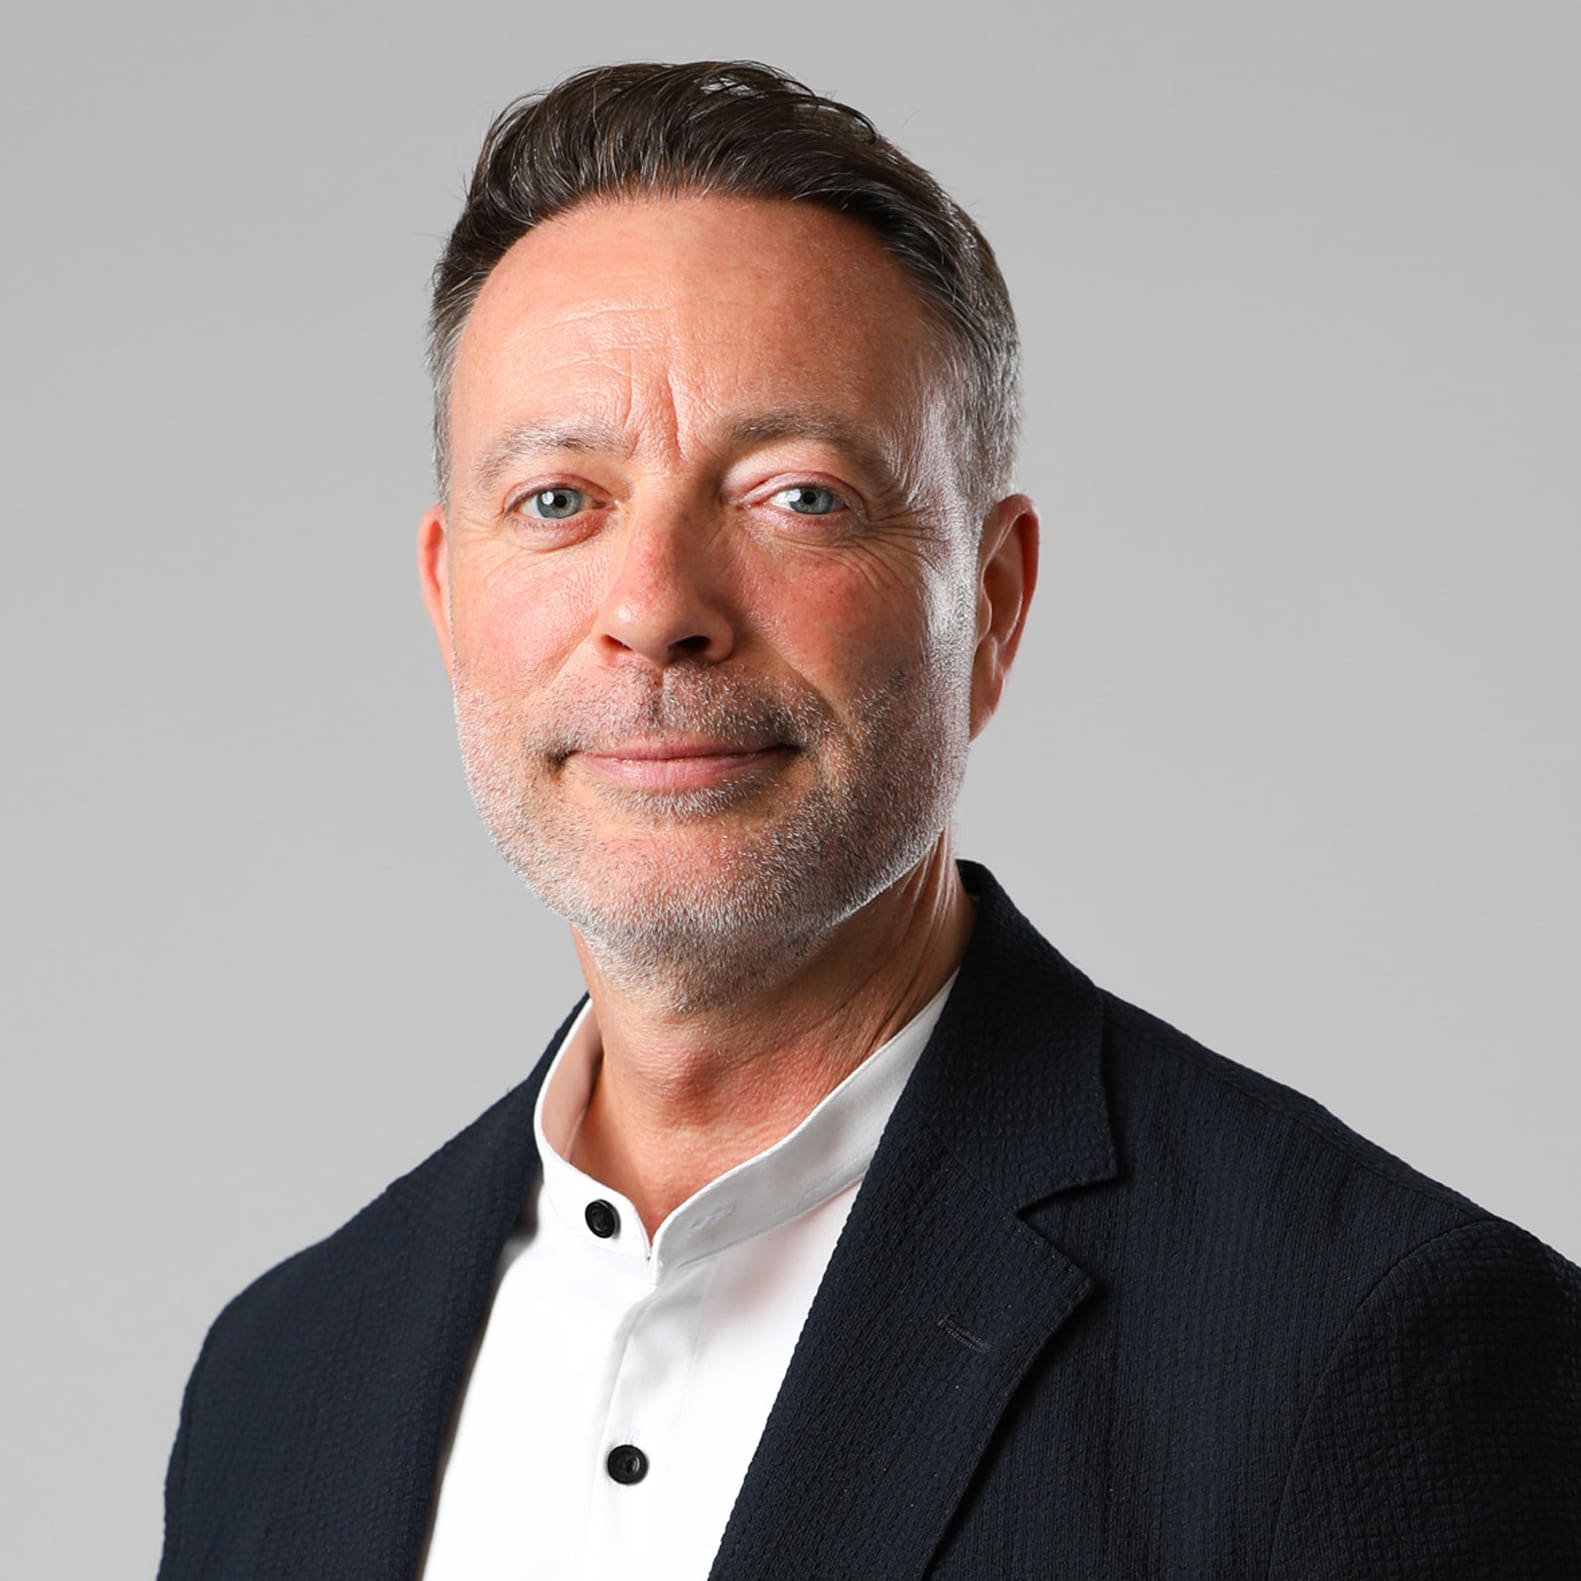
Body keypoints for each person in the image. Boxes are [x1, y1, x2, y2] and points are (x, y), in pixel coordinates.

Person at [157, 60, 1581, 1580]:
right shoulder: (279, 1378)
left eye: (798, 495)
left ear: (995, 605)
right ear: (448, 595)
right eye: (560, 500)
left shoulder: (1375, 1350)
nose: (655, 610)